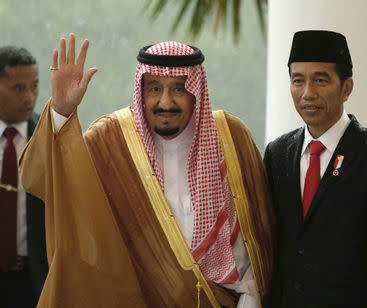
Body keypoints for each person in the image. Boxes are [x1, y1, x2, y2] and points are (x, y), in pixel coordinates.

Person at [19, 33, 273, 308]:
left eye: (178, 88)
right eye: (154, 89)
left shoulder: (229, 137)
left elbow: (258, 232)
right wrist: (61, 112)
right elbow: (43, 179)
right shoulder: (111, 140)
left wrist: (251, 299)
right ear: (141, 91)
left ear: (196, 91)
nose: (165, 102)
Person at [263, 30, 367, 308]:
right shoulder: (278, 153)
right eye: (298, 80)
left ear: (346, 88)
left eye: (320, 80)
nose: (307, 93)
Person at [0, 46, 48, 308]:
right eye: (19, 88)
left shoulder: (48, 139)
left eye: (34, 86)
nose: (29, 98)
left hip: (33, 280)